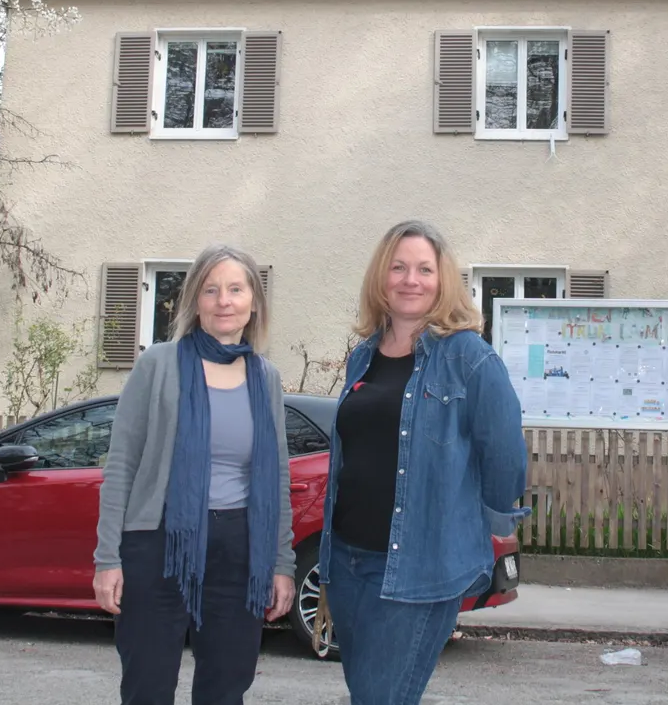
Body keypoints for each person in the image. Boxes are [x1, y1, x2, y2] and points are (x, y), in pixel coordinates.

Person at [318, 220, 529, 705]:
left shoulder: (470, 358)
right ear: (381, 278)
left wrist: (481, 526)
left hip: (418, 570)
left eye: (424, 269)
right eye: (398, 267)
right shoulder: (363, 357)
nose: (410, 280)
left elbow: (505, 458)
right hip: (348, 564)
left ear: (443, 281)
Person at [92, 244, 295, 705]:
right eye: (211, 290)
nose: (224, 300)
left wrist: (281, 563)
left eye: (236, 289)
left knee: (226, 688)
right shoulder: (158, 364)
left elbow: (277, 477)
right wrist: (108, 558)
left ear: (253, 303)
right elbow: (121, 463)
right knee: (147, 686)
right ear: (194, 301)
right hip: (158, 543)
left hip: (239, 550)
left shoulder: (266, 377)